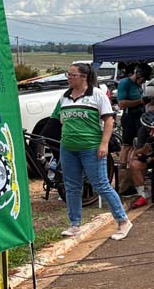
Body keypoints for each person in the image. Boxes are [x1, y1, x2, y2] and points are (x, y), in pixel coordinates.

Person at [53, 63, 132, 240]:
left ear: (83, 77)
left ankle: (123, 220)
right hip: (68, 148)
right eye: (68, 74)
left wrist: (104, 144)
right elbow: (61, 120)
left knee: (101, 184)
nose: (69, 78)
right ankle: (74, 224)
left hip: (91, 147)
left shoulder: (96, 95)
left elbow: (109, 120)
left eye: (72, 75)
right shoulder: (64, 97)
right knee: (72, 187)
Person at [115, 62, 151, 196]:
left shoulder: (137, 85)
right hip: (130, 117)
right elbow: (122, 103)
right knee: (127, 146)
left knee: (138, 145)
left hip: (139, 117)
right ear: (138, 74)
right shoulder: (125, 83)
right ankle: (124, 180)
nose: (143, 82)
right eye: (143, 79)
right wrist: (141, 102)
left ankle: (135, 176)